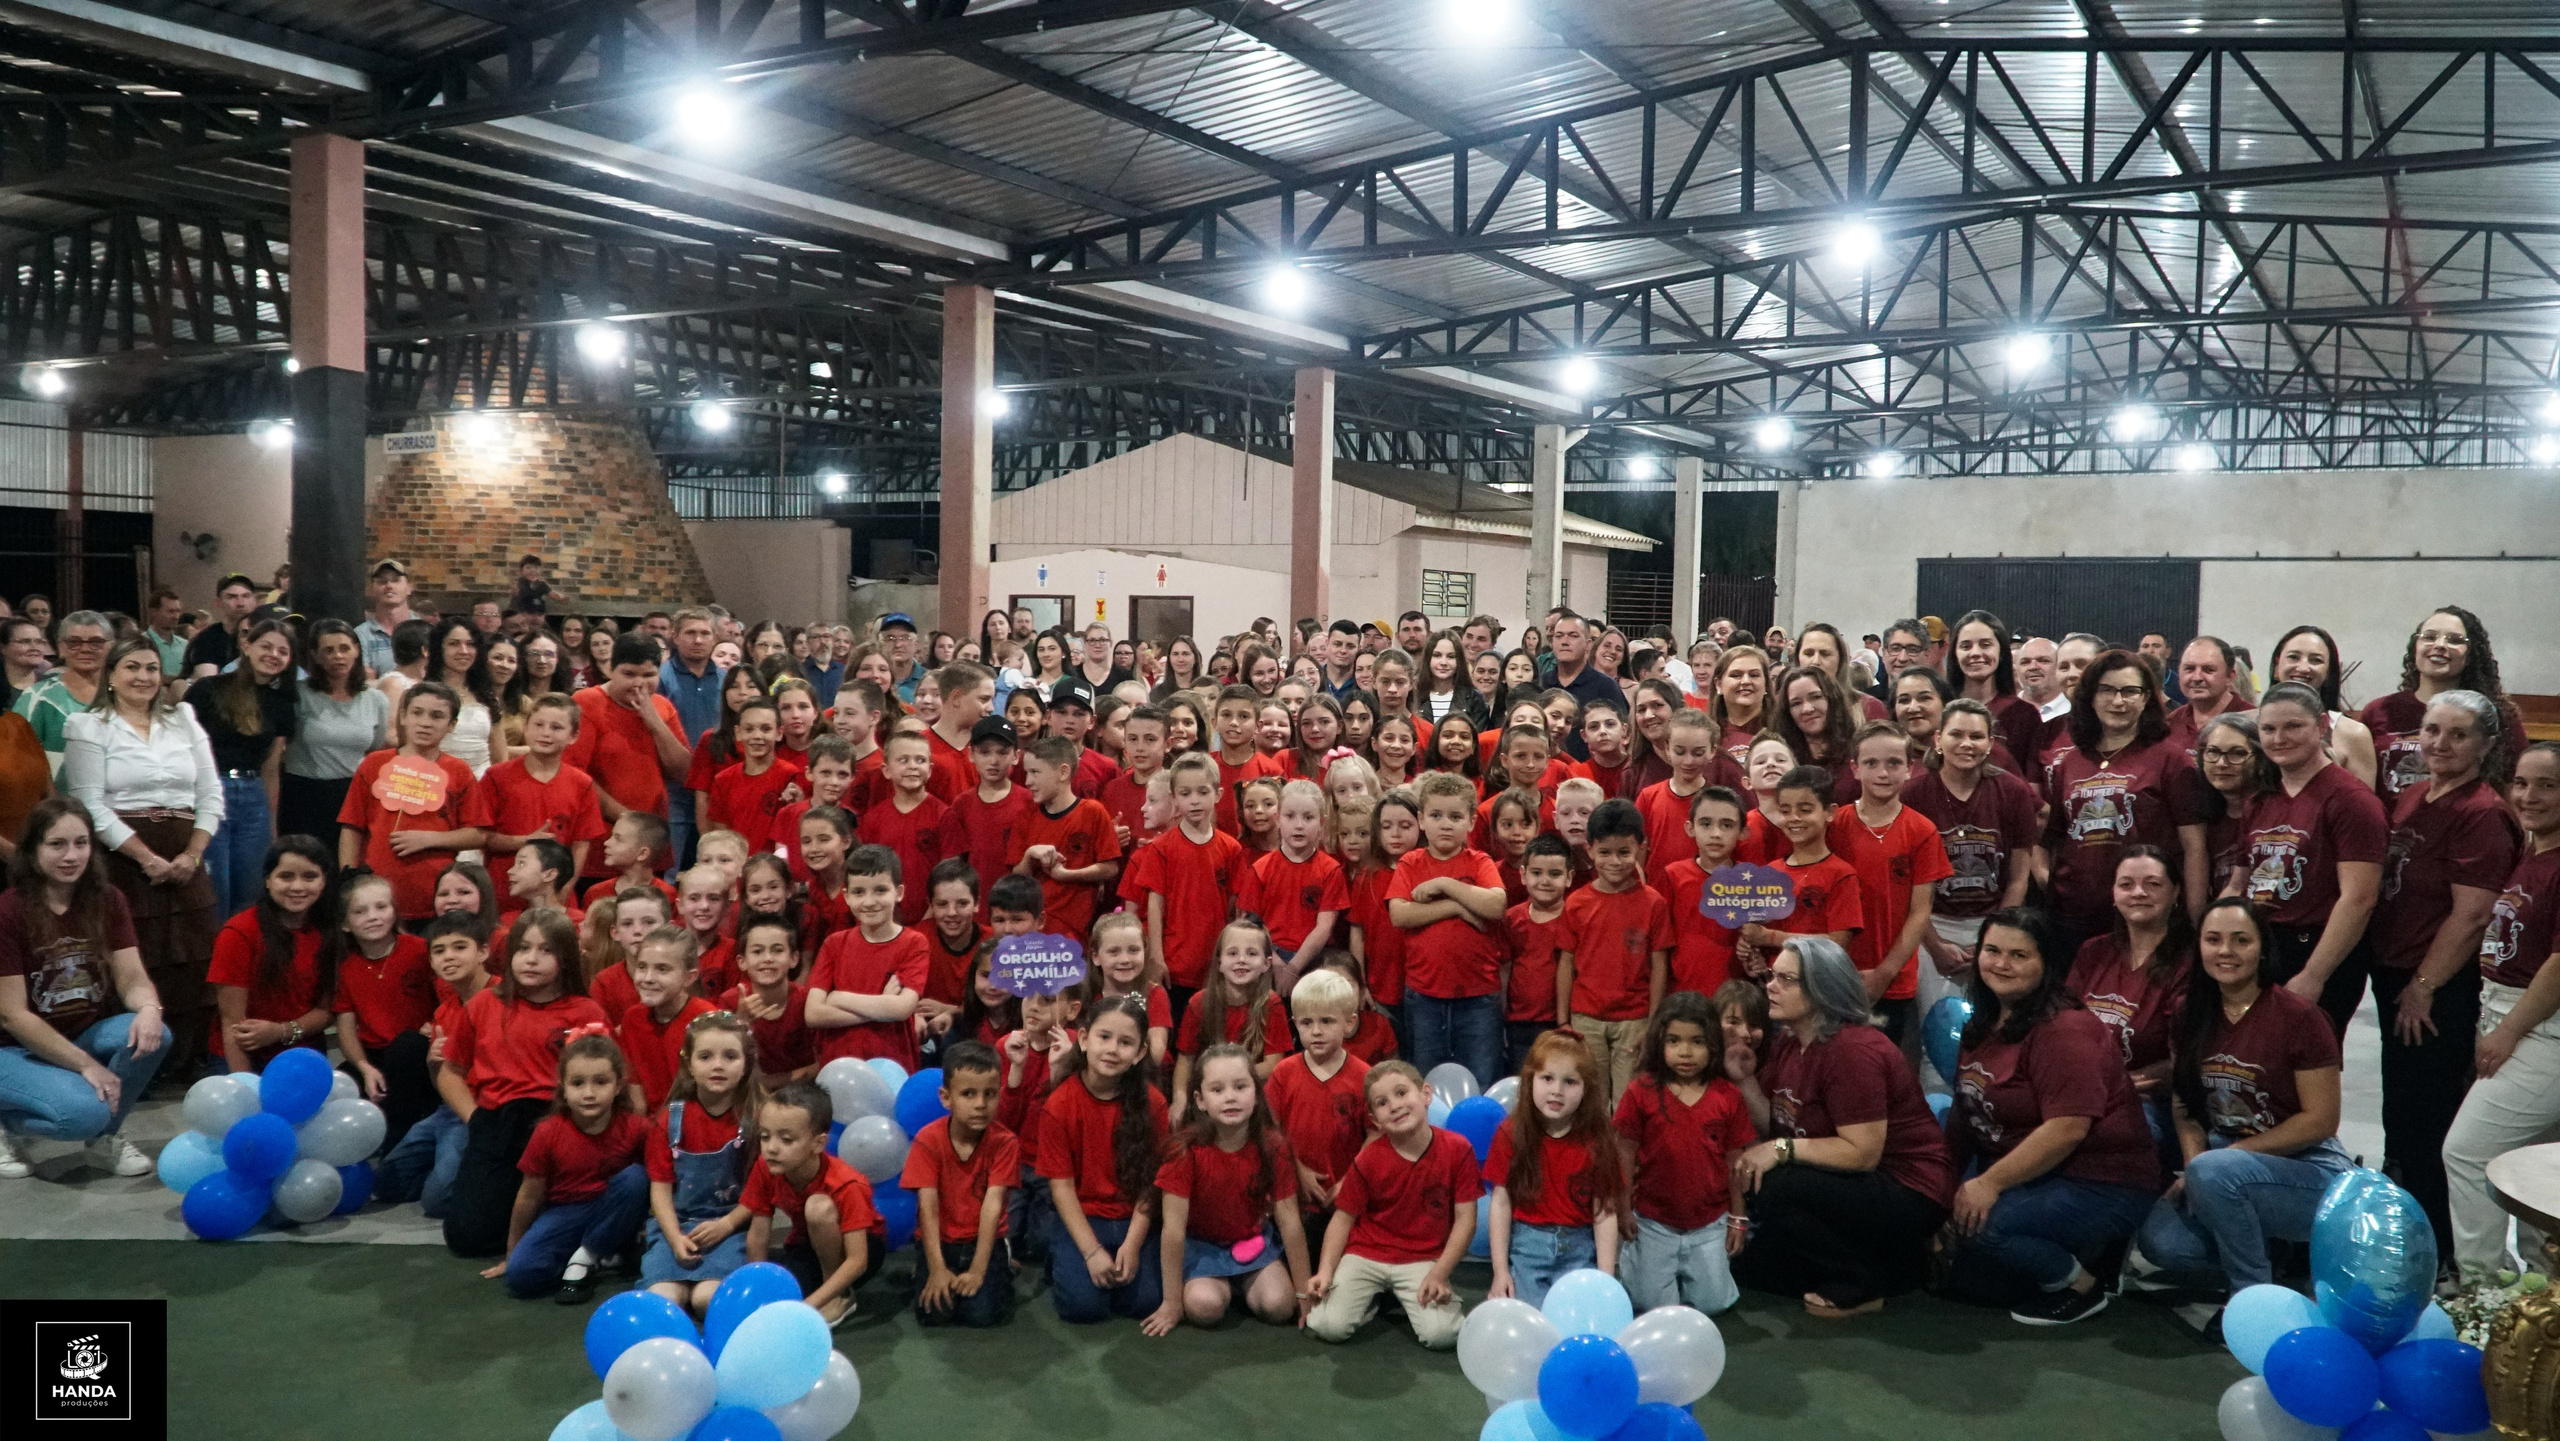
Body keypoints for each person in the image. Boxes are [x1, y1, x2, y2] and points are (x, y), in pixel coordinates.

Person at [1942, 908, 2160, 1324]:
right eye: (1992, 950)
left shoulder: (2065, 1030)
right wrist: (1942, 1190)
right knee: (1970, 1279)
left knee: (1983, 1229)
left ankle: (2082, 1284)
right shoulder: (1986, 1021)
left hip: (2102, 1182)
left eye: (2020, 955)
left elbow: (2067, 1129)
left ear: (2046, 964)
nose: (2002, 964)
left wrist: (1987, 1184)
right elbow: (1964, 1111)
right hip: (2034, 1172)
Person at [1731, 937, 1955, 1319]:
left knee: (1774, 1186)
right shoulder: (1790, 1042)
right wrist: (1745, 1081)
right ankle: (1904, 1268)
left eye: (1787, 979)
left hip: (1909, 1191)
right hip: (1849, 1185)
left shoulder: (1853, 1050)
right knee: (1752, 1270)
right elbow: (1779, 1123)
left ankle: (1862, 1283)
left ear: (1823, 990)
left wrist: (1781, 1150)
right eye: (1773, 976)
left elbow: (1862, 1153)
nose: (1770, 986)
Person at [2136, 898, 2349, 1299]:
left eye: (2241, 941)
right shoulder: (2190, 1012)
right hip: (2223, 1161)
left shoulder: (2301, 1017)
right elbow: (2185, 1106)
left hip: (2308, 1168)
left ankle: (2252, 1296)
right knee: (2162, 1243)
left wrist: (2221, 1164)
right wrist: (2195, 1166)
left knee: (2216, 1174)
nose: (2226, 952)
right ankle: (2270, 1247)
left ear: (2263, 948)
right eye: (2213, 940)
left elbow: (2320, 1121)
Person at [2366, 691, 2518, 1253]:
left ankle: (2446, 1250)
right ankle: (2407, 1231)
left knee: (2432, 1118)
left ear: (2487, 744)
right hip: (2395, 976)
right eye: (2432, 730)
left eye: (2458, 734)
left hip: (2438, 986)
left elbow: (2473, 912)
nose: (2440, 744)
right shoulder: (2411, 796)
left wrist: (2423, 987)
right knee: (2401, 1110)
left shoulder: (2481, 812)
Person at [61, 637, 222, 1079]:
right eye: (132, 667)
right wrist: (146, 857)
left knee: (195, 955)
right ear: (110, 675)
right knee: (136, 956)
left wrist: (193, 853)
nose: (144, 677)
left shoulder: (183, 718)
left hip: (186, 854)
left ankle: (185, 1063)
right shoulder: (88, 725)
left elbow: (210, 794)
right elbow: (90, 805)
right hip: (125, 859)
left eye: (152, 668)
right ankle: (136, 1066)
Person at [0, 798, 166, 1178]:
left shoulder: (108, 900)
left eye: (81, 842)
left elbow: (132, 978)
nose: (71, 855)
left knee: (155, 1034)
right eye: (56, 844)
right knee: (83, 1114)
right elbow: (12, 1016)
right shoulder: (8, 911)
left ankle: (104, 1140)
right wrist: (88, 1067)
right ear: (32, 850)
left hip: (76, 1034)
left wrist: (148, 1010)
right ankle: (8, 1123)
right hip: (11, 1048)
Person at [2443, 740, 2560, 1277]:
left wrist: (2510, 1030)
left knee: (2467, 1152)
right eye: (2521, 783)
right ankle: (2541, 1303)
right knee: (2536, 1175)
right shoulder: (2533, 851)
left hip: (2540, 1028)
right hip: (2507, 1014)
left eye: (2547, 785)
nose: (2528, 796)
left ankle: (2484, 1291)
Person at [440, 910, 615, 1259]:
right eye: (523, 949)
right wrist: (475, 1119)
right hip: (495, 1122)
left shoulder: (585, 1012)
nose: (531, 959)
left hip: (558, 1123)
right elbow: (450, 1071)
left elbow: (603, 1080)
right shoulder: (483, 1004)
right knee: (466, 1237)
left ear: (565, 959)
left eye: (546, 950)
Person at [2227, 681, 2389, 1037]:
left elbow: (2359, 899)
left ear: (2321, 727)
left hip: (2318, 952)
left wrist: (2314, 975)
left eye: (2293, 727)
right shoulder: (2260, 800)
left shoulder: (2352, 801)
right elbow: (2239, 884)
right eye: (2268, 729)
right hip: (2262, 946)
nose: (2278, 738)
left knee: (2305, 1071)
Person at [2037, 648, 2208, 957]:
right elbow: (2053, 839)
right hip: (2073, 919)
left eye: (2130, 691)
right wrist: (2051, 886)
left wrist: (2195, 916)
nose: (2118, 701)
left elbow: (2194, 845)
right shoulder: (2070, 762)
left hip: (2147, 917)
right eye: (2107, 690)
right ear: (2090, 696)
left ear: (2147, 698)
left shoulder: (2171, 759)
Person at [1304, 1060, 1478, 1348]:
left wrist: (1439, 1274)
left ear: (1425, 1094)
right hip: (1367, 1253)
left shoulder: (1458, 1150)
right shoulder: (1369, 1158)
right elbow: (1343, 1219)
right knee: (1327, 1326)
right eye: (1382, 1103)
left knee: (1442, 1335)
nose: (1395, 1106)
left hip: (1422, 1258)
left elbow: (1466, 1220)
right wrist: (1325, 1271)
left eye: (1401, 1093)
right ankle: (1369, 1301)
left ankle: (1421, 1296)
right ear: (1374, 1119)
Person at [1142, 1041, 1312, 1334]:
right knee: (1204, 1308)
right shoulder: (1184, 1152)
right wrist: (1172, 1302)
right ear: (1200, 1100)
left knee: (1280, 1306)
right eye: (1217, 1090)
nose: (1230, 1098)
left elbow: (1290, 1221)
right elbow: (1172, 1231)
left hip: (1251, 1243)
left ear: (1257, 1095)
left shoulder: (1274, 1146)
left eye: (1240, 1087)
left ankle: (1243, 1283)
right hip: (1201, 1246)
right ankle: (1219, 1285)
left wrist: (1304, 1294)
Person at [1612, 990, 1755, 1313]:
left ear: (1714, 1045)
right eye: (1674, 1041)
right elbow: (1624, 1154)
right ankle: (1637, 1263)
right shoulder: (1640, 1092)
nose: (1685, 1052)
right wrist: (1623, 1209)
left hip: (1709, 1223)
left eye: (1698, 1042)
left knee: (1713, 1304)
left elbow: (1736, 1161)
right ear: (1659, 1042)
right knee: (1649, 1305)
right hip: (1652, 1221)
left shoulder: (1728, 1097)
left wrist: (1737, 1218)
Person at [487, 1029, 647, 1301]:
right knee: (521, 1276)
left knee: (636, 1178)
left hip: (615, 1208)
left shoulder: (636, 1128)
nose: (589, 1093)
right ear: (562, 1086)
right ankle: (602, 1253)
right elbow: (529, 1196)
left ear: (619, 1085)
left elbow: (656, 1183)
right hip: (565, 1213)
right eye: (577, 1083)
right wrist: (513, 1253)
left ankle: (586, 1257)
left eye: (600, 1082)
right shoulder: (547, 1132)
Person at [1040, 993, 1169, 1324]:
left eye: (1126, 1043)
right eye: (1104, 1037)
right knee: (1083, 1308)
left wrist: (1133, 1244)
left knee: (1146, 1302)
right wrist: (1091, 1252)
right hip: (1084, 1217)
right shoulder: (1059, 1104)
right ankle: (1060, 1255)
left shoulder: (1153, 1104)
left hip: (1132, 1218)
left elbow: (1151, 1184)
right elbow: (1062, 1189)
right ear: (1083, 1040)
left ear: (1141, 1052)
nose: (1113, 1049)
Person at [1907, 700, 2038, 1022]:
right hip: (1931, 923)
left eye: (1977, 736)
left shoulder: (2013, 792)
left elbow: (2020, 876)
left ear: (1991, 744)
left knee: (1994, 1025)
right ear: (1938, 739)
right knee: (1936, 1031)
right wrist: (1935, 946)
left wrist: (1992, 940)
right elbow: (1906, 882)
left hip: (1993, 922)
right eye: (1956, 734)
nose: (1967, 744)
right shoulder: (1913, 794)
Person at [1483, 1029, 1626, 1306]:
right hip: (1528, 1247)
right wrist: (1500, 1272)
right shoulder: (1510, 1133)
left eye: (1570, 1081)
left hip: (1580, 1249)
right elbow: (1501, 1203)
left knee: (1581, 1318)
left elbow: (1604, 1212)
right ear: (1530, 1080)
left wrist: (1606, 1280)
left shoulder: (1598, 1141)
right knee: (1531, 1320)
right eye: (1547, 1078)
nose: (1556, 1091)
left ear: (1586, 1089)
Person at [2069, 848, 2193, 1151]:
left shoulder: (2192, 960)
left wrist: (2117, 1086)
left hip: (2156, 1106)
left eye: (2152, 884)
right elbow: (2062, 1027)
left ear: (2175, 892)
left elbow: (2191, 1056)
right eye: (2126, 884)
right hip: (2085, 1093)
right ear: (2113, 893)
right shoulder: (2093, 952)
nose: (2138, 893)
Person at [638, 1009, 759, 1318]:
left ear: (746, 1065)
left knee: (708, 1299)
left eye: (730, 1056)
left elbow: (761, 1191)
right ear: (689, 1065)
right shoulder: (669, 1119)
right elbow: (660, 1191)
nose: (717, 1065)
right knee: (665, 1300)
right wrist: (675, 1237)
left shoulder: (755, 1119)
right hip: (675, 1227)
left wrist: (727, 1225)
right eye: (705, 1057)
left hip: (730, 1226)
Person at [184, 617, 298, 919]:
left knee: (251, 890)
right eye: (266, 646)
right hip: (210, 791)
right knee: (213, 887)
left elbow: (271, 767)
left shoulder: (282, 704)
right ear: (246, 646)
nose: (274, 655)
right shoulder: (208, 689)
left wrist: (272, 822)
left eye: (283, 651)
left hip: (252, 796)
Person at [2360, 606, 2524, 804]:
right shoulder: (2378, 711)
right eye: (2429, 637)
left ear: (2471, 654)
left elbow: (2514, 790)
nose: (2439, 645)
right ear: (2415, 646)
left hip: (2465, 826)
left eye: (2454, 640)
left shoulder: (2497, 716)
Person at [205, 837, 336, 1075]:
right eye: (286, 876)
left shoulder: (331, 931)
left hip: (302, 1051)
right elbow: (232, 1024)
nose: (297, 887)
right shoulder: (239, 932)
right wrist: (245, 1086)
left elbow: (328, 1010)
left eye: (310, 877)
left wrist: (281, 1031)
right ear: (267, 880)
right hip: (242, 1053)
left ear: (324, 881)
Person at [283, 619, 389, 842]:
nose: (338, 656)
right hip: (304, 793)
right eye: (328, 650)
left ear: (356, 651)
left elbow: (375, 749)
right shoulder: (298, 695)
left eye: (344, 648)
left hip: (353, 793)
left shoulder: (376, 699)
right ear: (315, 656)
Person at [2268, 626, 2380, 790]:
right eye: (2293, 657)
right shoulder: (2247, 724)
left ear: (2328, 673)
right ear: (2276, 667)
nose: (2303, 667)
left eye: (2316, 660)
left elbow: (2363, 807)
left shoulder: (2352, 733)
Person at [15, 609, 112, 771]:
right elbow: (16, 756)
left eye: (96, 642)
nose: (85, 649)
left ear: (111, 647)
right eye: (74, 642)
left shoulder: (125, 695)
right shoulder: (38, 698)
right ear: (61, 647)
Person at [1944, 610, 2043, 767]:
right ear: (1954, 654)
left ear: (2002, 652)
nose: (1975, 653)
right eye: (1965, 646)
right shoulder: (1941, 709)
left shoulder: (2024, 715)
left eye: (1985, 645)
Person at [182, 573, 261, 680]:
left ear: (254, 601)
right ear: (218, 602)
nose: (241, 603)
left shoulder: (264, 636)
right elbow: (208, 684)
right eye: (232, 597)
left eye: (246, 596)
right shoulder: (206, 640)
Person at [355, 560, 417, 680]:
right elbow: (364, 680)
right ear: (370, 589)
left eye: (396, 580)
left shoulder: (425, 631)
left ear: (409, 587)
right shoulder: (360, 635)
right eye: (382, 581)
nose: (389, 586)